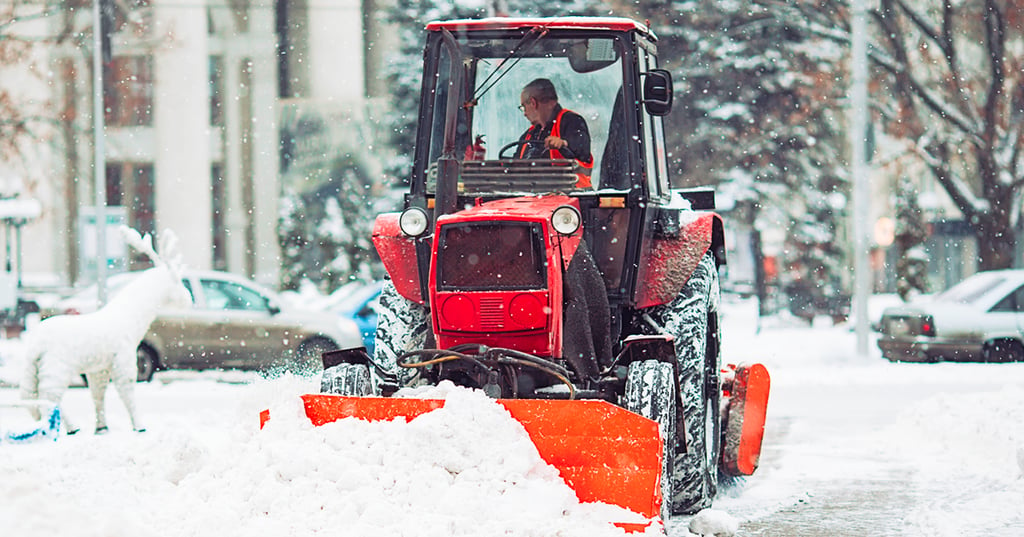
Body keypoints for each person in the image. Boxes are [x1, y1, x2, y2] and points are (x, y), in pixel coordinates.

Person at [516, 78, 594, 188]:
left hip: (573, 198)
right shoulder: (529, 135)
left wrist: (563, 144)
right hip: (532, 201)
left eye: (524, 106)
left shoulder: (572, 121)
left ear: (533, 103)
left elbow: (581, 147)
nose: (524, 113)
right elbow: (514, 167)